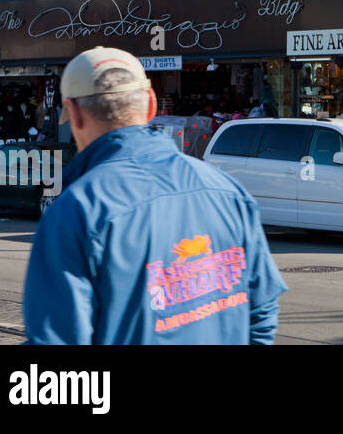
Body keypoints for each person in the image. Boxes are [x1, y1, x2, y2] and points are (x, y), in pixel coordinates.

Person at [23, 46, 286, 344]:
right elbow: (261, 314)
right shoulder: (227, 192)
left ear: (73, 114)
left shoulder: (77, 212)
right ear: (150, 105)